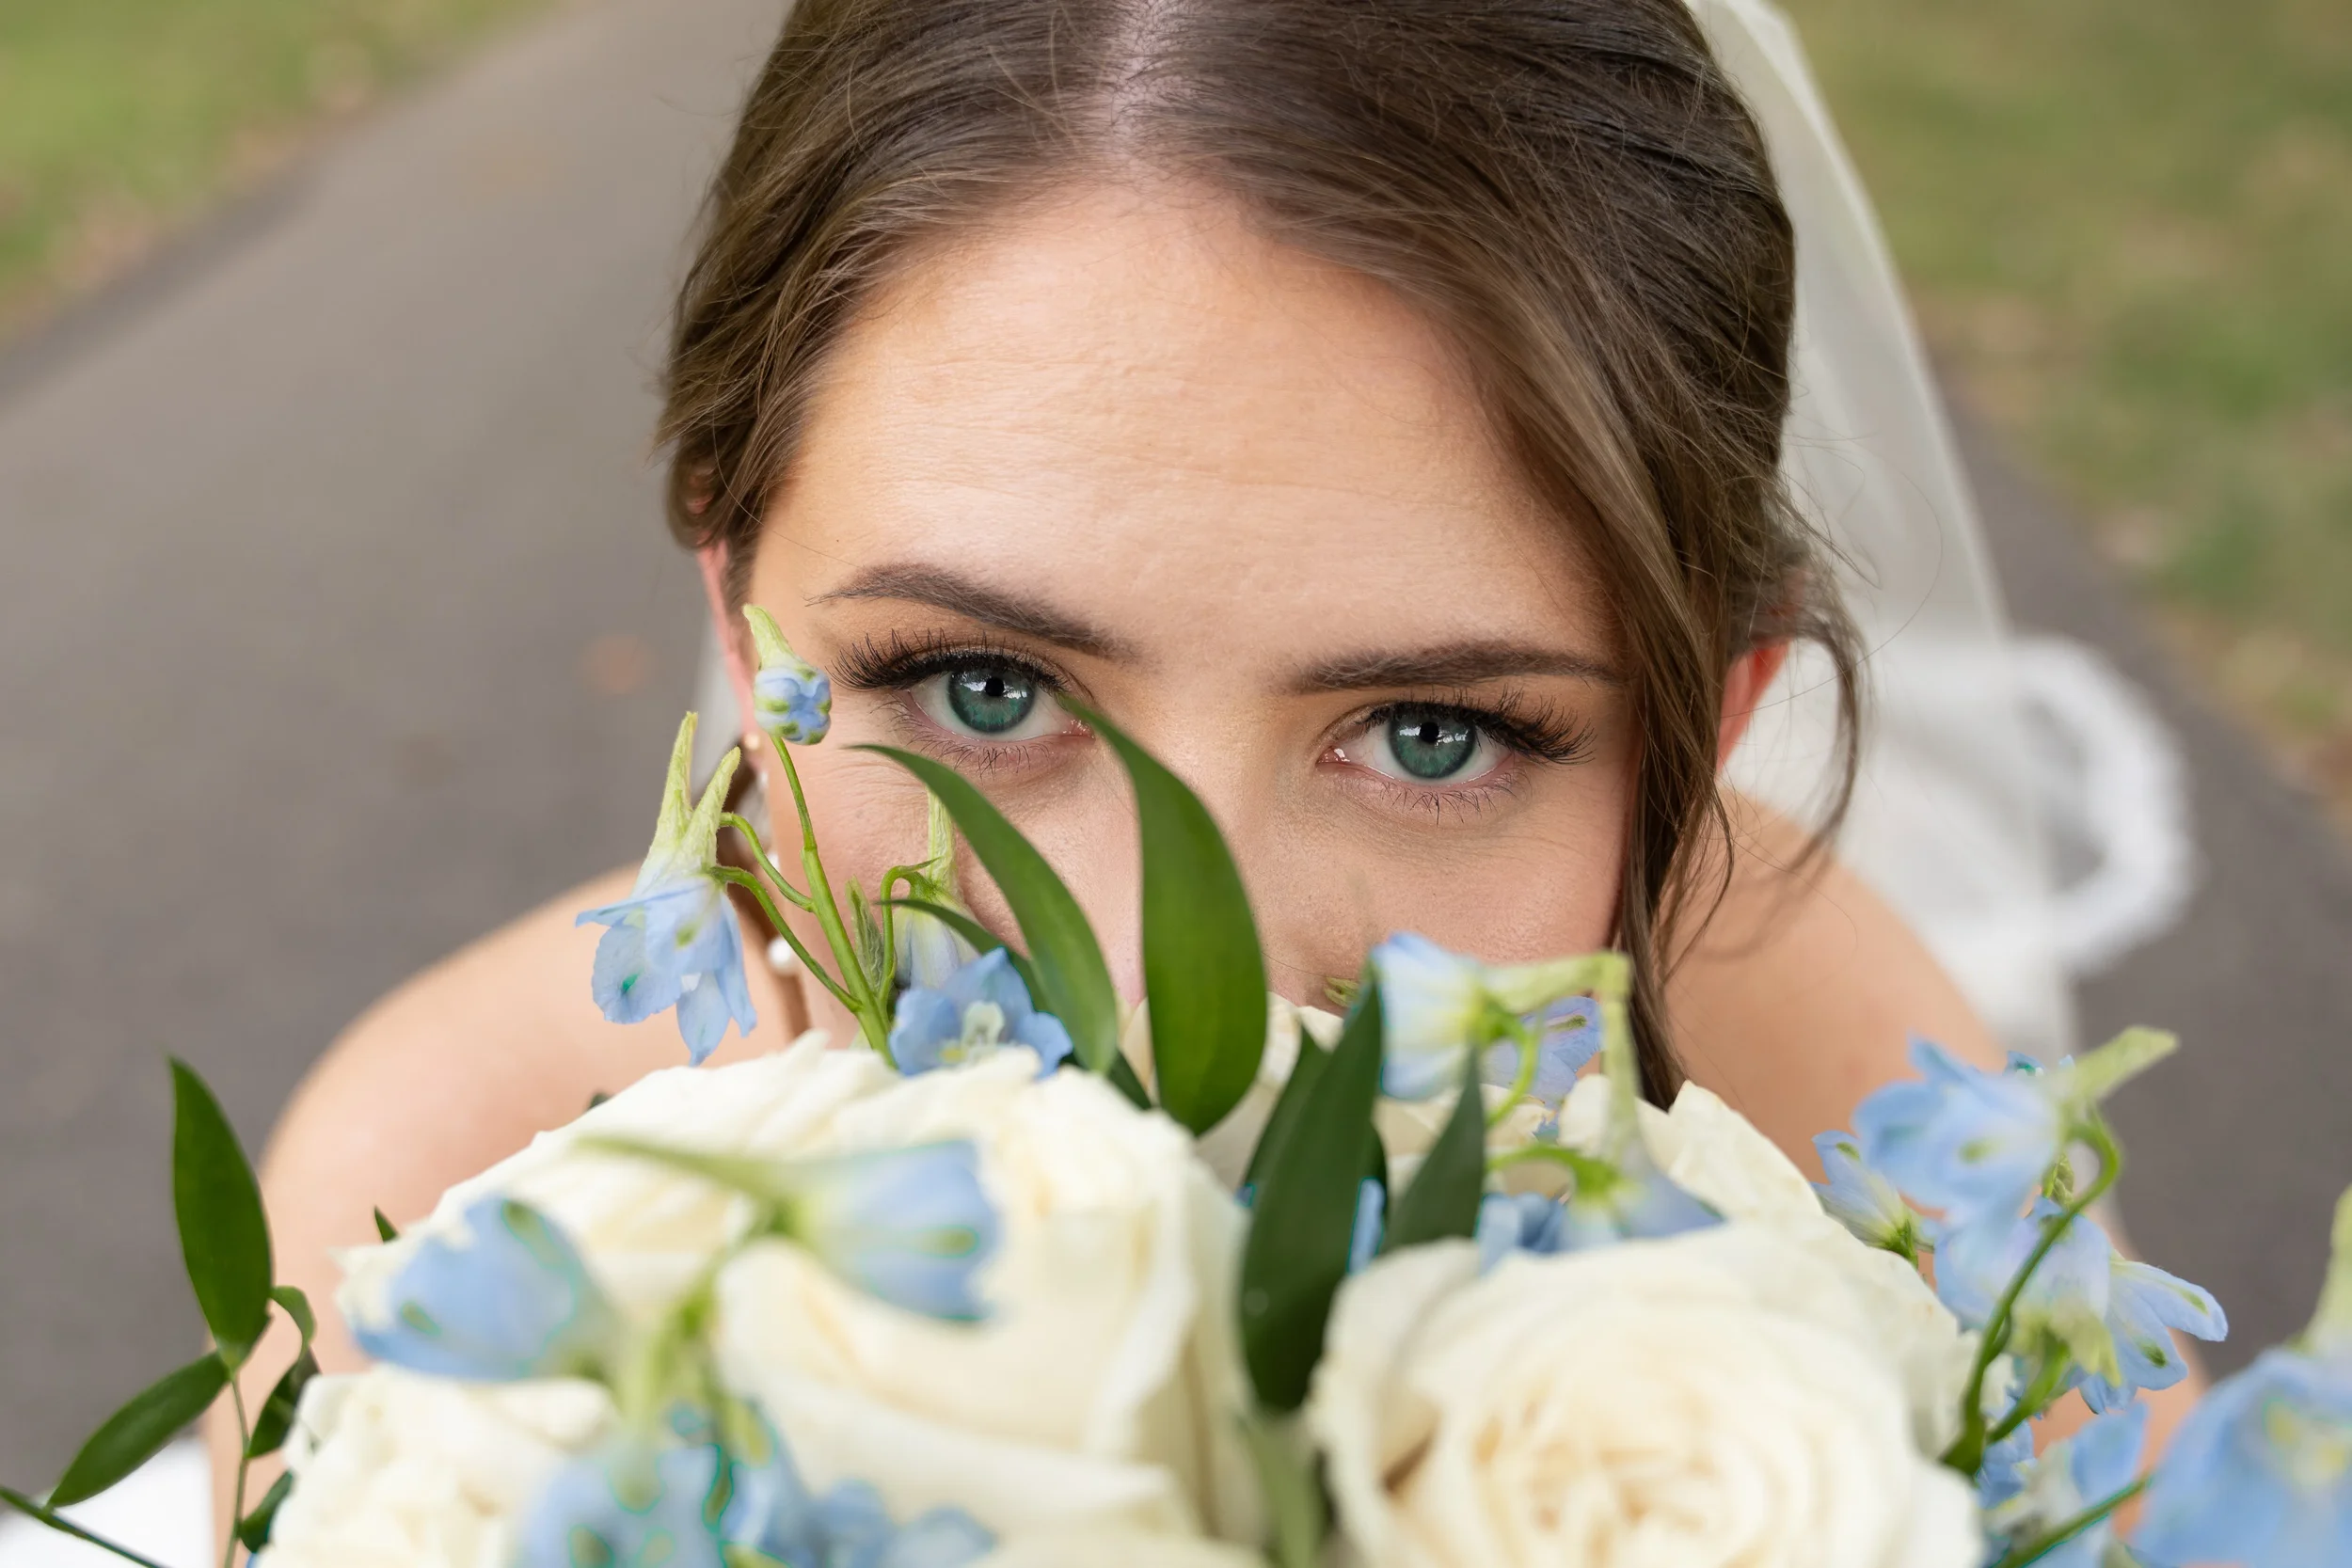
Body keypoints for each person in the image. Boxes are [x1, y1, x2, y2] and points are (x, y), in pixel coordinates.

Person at [208, 0, 2192, 1523]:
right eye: (984, 688)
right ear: (742, 620)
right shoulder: (425, 1219)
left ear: (1703, 730)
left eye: (1430, 735)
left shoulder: (1885, 1154)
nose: (1173, 1002)